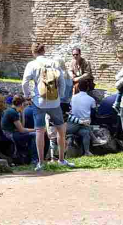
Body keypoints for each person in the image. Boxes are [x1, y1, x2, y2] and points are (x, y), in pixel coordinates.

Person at [22, 42, 73, 170]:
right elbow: (62, 81)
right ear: (44, 51)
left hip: (38, 102)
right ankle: (61, 159)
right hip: (54, 102)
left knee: (39, 131)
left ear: (33, 52)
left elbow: (24, 83)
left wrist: (29, 95)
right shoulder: (54, 63)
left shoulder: (31, 64)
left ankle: (40, 162)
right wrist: (59, 96)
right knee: (61, 130)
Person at [66, 78, 97, 156]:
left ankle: (86, 152)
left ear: (78, 88)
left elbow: (70, 109)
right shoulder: (91, 99)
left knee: (85, 132)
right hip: (78, 123)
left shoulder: (73, 98)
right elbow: (93, 113)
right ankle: (94, 140)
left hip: (74, 125)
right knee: (85, 124)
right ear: (88, 88)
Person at [1, 96, 36, 163]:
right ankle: (34, 159)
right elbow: (22, 130)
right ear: (22, 104)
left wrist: (22, 113)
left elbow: (22, 126)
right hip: (10, 134)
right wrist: (36, 130)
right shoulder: (12, 113)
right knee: (35, 135)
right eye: (25, 104)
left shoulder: (12, 110)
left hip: (11, 133)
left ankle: (28, 156)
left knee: (32, 134)